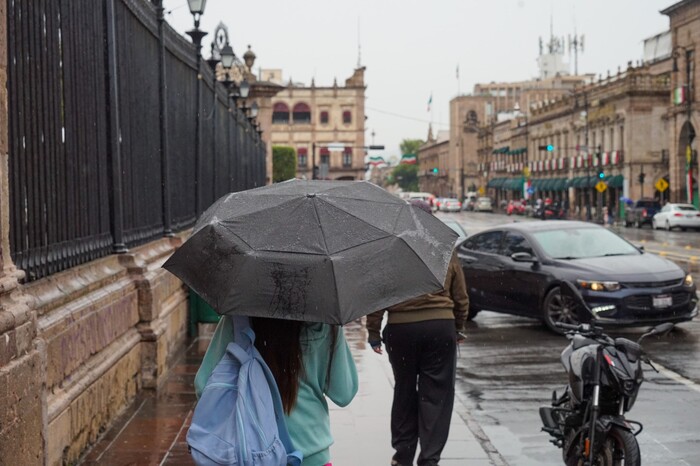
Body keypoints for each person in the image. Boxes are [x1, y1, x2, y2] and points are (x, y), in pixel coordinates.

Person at [366, 251, 469, 466]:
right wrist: (458, 327)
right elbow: (460, 296)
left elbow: (377, 295)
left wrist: (374, 332)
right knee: (437, 394)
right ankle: (430, 457)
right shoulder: (443, 249)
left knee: (404, 390)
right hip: (440, 327)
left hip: (401, 329)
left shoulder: (390, 251)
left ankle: (403, 455)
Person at [252, 318, 359, 466]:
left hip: (253, 447)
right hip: (310, 448)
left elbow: (210, 380)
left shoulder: (239, 314)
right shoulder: (325, 318)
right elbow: (344, 393)